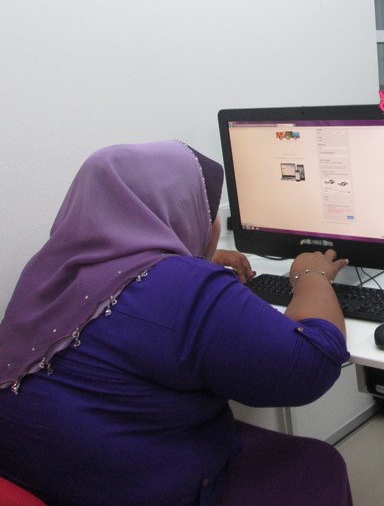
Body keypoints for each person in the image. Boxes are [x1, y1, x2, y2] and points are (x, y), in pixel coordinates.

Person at [0, 141, 353, 506]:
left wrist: (192, 258)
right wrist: (311, 274)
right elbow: (311, 363)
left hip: (31, 478)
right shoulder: (185, 285)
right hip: (135, 487)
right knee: (321, 463)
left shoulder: (47, 270)